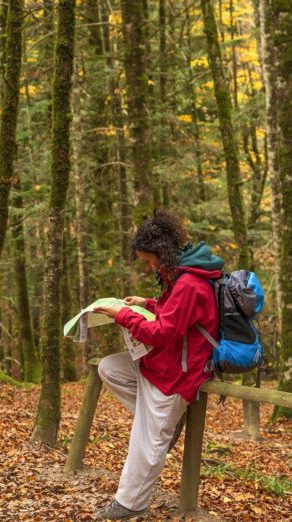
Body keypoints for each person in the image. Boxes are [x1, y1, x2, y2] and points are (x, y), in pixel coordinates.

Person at [92, 211, 222, 520]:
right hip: (161, 363)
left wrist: (122, 315)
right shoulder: (180, 274)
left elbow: (163, 332)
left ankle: (130, 504)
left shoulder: (189, 283)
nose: (148, 267)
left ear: (162, 251)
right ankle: (165, 423)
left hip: (178, 374)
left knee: (146, 440)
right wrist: (146, 304)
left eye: (149, 261)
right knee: (110, 367)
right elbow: (175, 314)